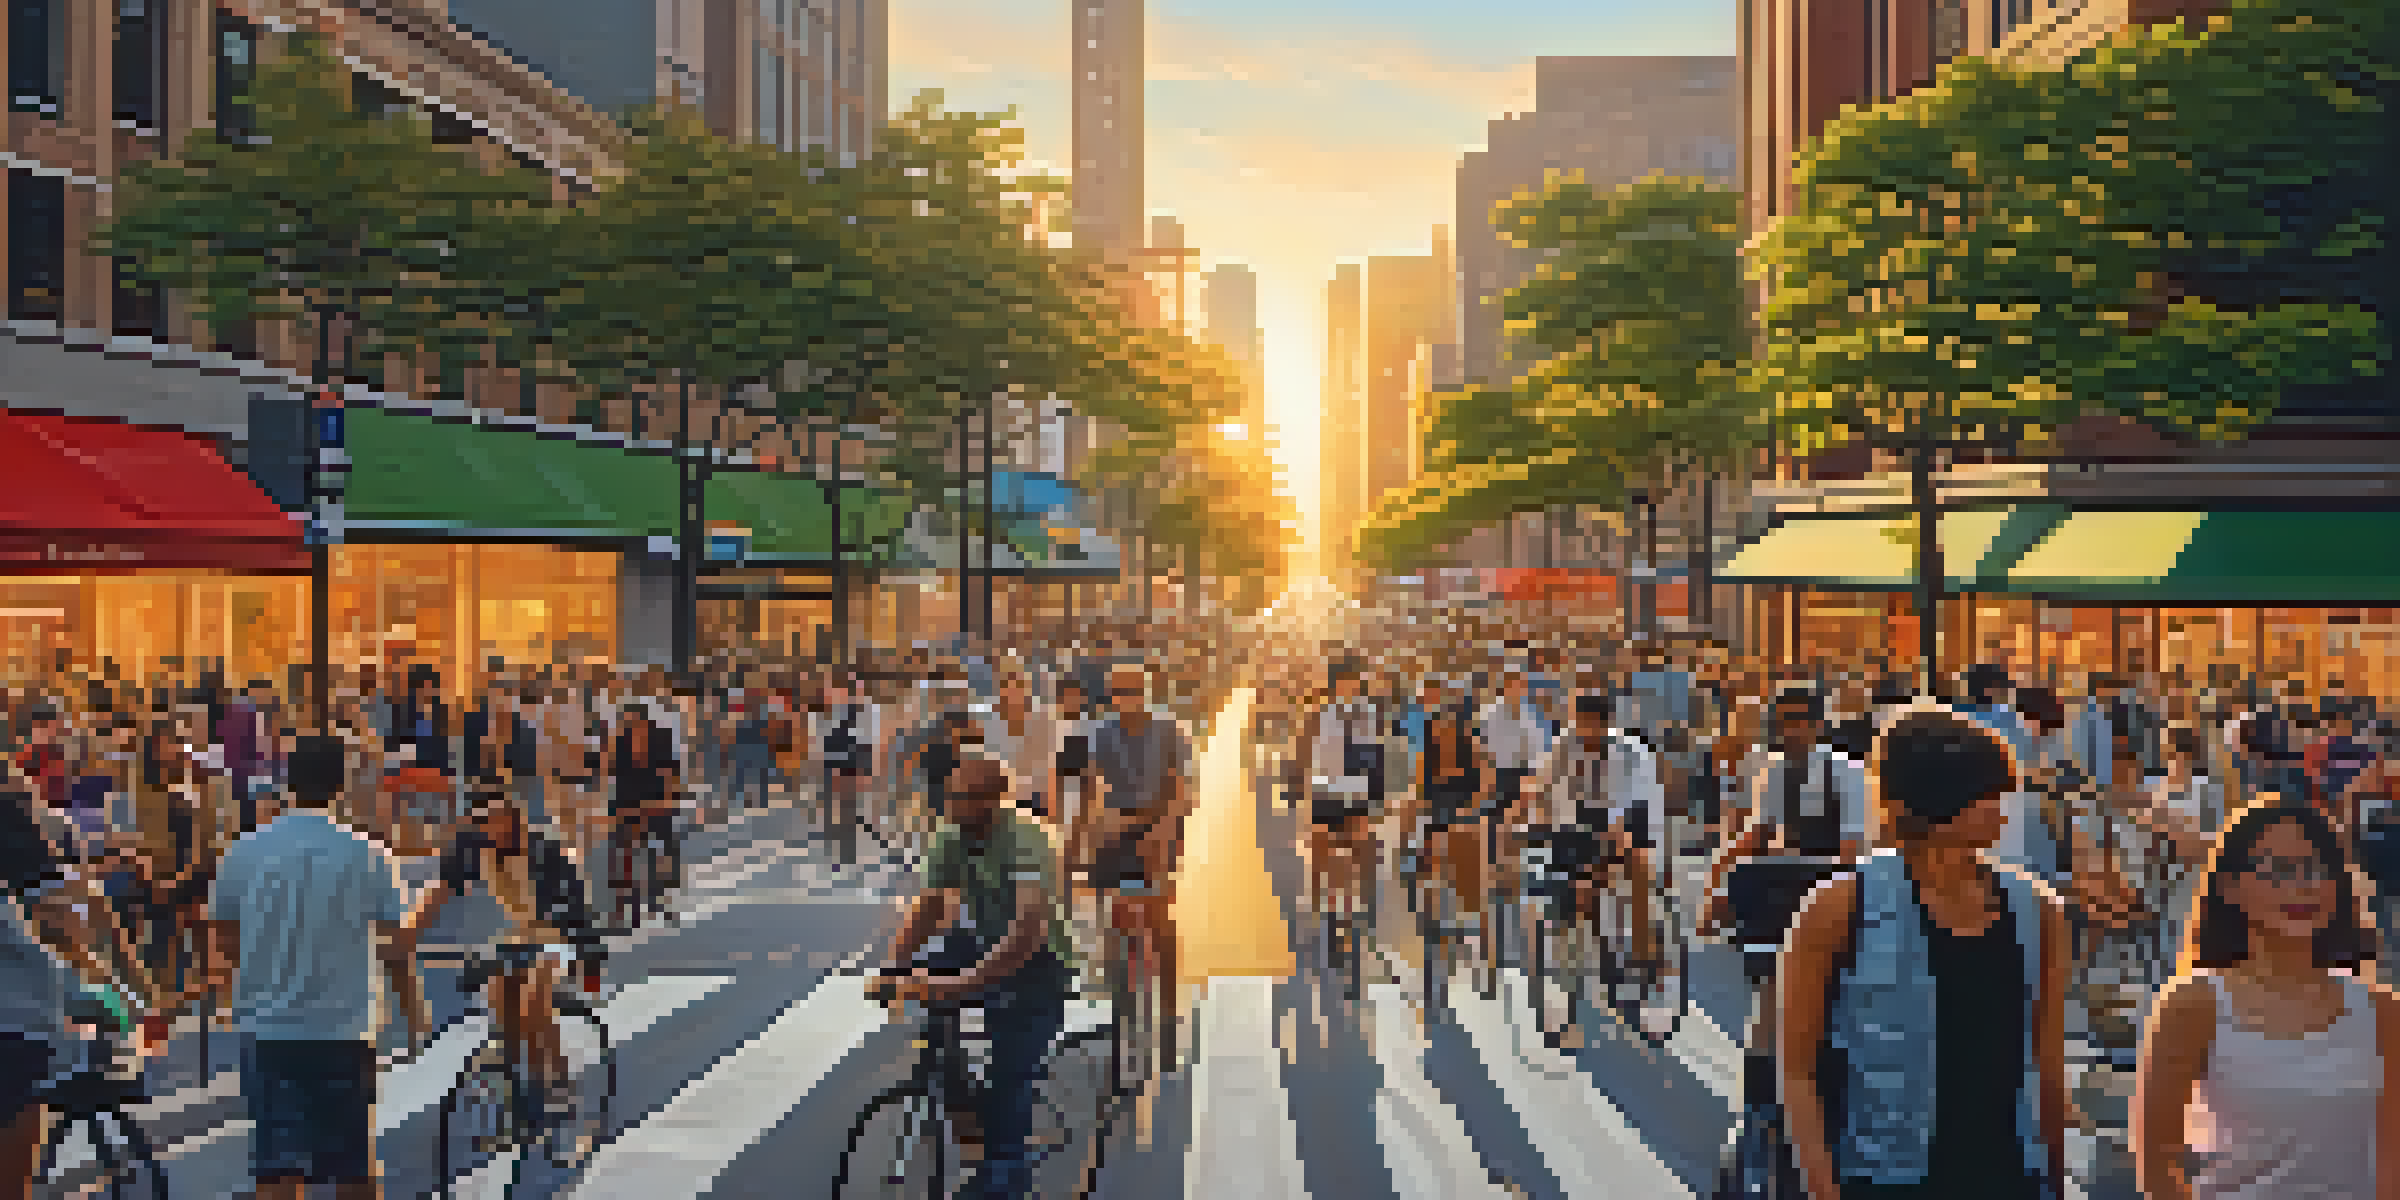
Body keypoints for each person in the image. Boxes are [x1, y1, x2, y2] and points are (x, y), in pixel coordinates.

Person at [1780, 706, 2072, 1200]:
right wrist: (1823, 1187)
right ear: (1939, 799)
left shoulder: (2036, 910)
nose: (2002, 807)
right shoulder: (1840, 907)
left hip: (2008, 1175)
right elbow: (1797, 1067)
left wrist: (2055, 1178)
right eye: (1987, 794)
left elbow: (2046, 1061)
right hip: (1880, 1178)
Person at [2133, 801, 2396, 1200]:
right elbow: (2158, 1164)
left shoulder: (2382, 1010)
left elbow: (2391, 1155)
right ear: (2230, 887)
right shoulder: (2193, 1004)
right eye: (2279, 870)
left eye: (2318, 869)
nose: (2303, 886)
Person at [201, 735, 406, 1200]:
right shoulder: (368, 854)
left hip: (267, 1024)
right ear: (341, 784)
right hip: (343, 1025)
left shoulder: (245, 851)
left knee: (276, 1169)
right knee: (351, 1168)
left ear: (289, 782)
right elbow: (394, 945)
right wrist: (411, 1007)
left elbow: (224, 939)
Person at [873, 753, 1077, 1200]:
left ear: (994, 801)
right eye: (950, 797)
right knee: (932, 1001)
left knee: (1009, 1074)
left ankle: (1006, 1173)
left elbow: (1025, 935)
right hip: (980, 939)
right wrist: (894, 965)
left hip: (1040, 959)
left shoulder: (1029, 839)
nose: (953, 808)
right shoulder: (950, 836)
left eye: (964, 799)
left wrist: (962, 985)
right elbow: (930, 906)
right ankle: (962, 1106)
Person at [383, 784, 601, 1121]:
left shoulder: (545, 852)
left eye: (499, 818)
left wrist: (588, 961)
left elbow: (576, 912)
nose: (492, 829)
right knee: (500, 1004)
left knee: (533, 1003)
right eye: (483, 820)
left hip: (557, 934)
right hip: (515, 937)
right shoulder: (472, 848)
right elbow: (438, 893)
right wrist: (408, 936)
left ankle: (558, 1083)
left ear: (515, 818)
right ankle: (518, 1084)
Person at [1068, 663, 1193, 1063]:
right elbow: (1090, 793)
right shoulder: (1100, 733)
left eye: (1134, 691)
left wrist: (1162, 831)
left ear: (1146, 691)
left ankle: (1171, 1014)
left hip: (1162, 825)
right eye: (1119, 692)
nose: (1127, 700)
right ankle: (1121, 998)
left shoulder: (1168, 730)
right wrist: (1074, 848)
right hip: (1119, 826)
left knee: (1158, 920)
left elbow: (1180, 794)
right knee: (1114, 916)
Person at [1518, 690, 1668, 970]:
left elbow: (1623, 820)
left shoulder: (1631, 754)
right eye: (1577, 724)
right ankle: (1575, 942)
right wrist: (1525, 814)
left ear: (1604, 724)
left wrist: (1598, 870)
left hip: (1632, 820)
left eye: (1588, 725)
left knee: (1636, 865)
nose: (1582, 733)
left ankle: (1645, 950)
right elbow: (1539, 785)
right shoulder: (1565, 743)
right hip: (1582, 822)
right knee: (1570, 891)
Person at [608, 702, 680, 924]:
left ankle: (658, 899)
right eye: (626, 724)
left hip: (656, 799)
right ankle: (622, 905)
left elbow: (670, 772)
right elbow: (614, 776)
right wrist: (620, 809)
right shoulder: (620, 743)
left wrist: (668, 801)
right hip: (628, 800)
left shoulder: (661, 739)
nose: (630, 727)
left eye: (634, 723)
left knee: (659, 852)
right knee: (623, 853)